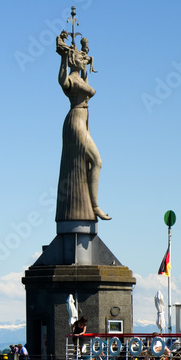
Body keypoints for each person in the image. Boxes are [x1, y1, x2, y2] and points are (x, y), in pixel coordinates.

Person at [55, 24, 109, 222]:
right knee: (96, 161)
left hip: (83, 121)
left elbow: (88, 83)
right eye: (79, 58)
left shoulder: (82, 79)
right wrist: (63, 58)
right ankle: (95, 207)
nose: (83, 60)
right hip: (75, 123)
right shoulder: (70, 78)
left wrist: (84, 53)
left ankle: (91, 205)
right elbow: (62, 80)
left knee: (90, 163)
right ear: (71, 61)